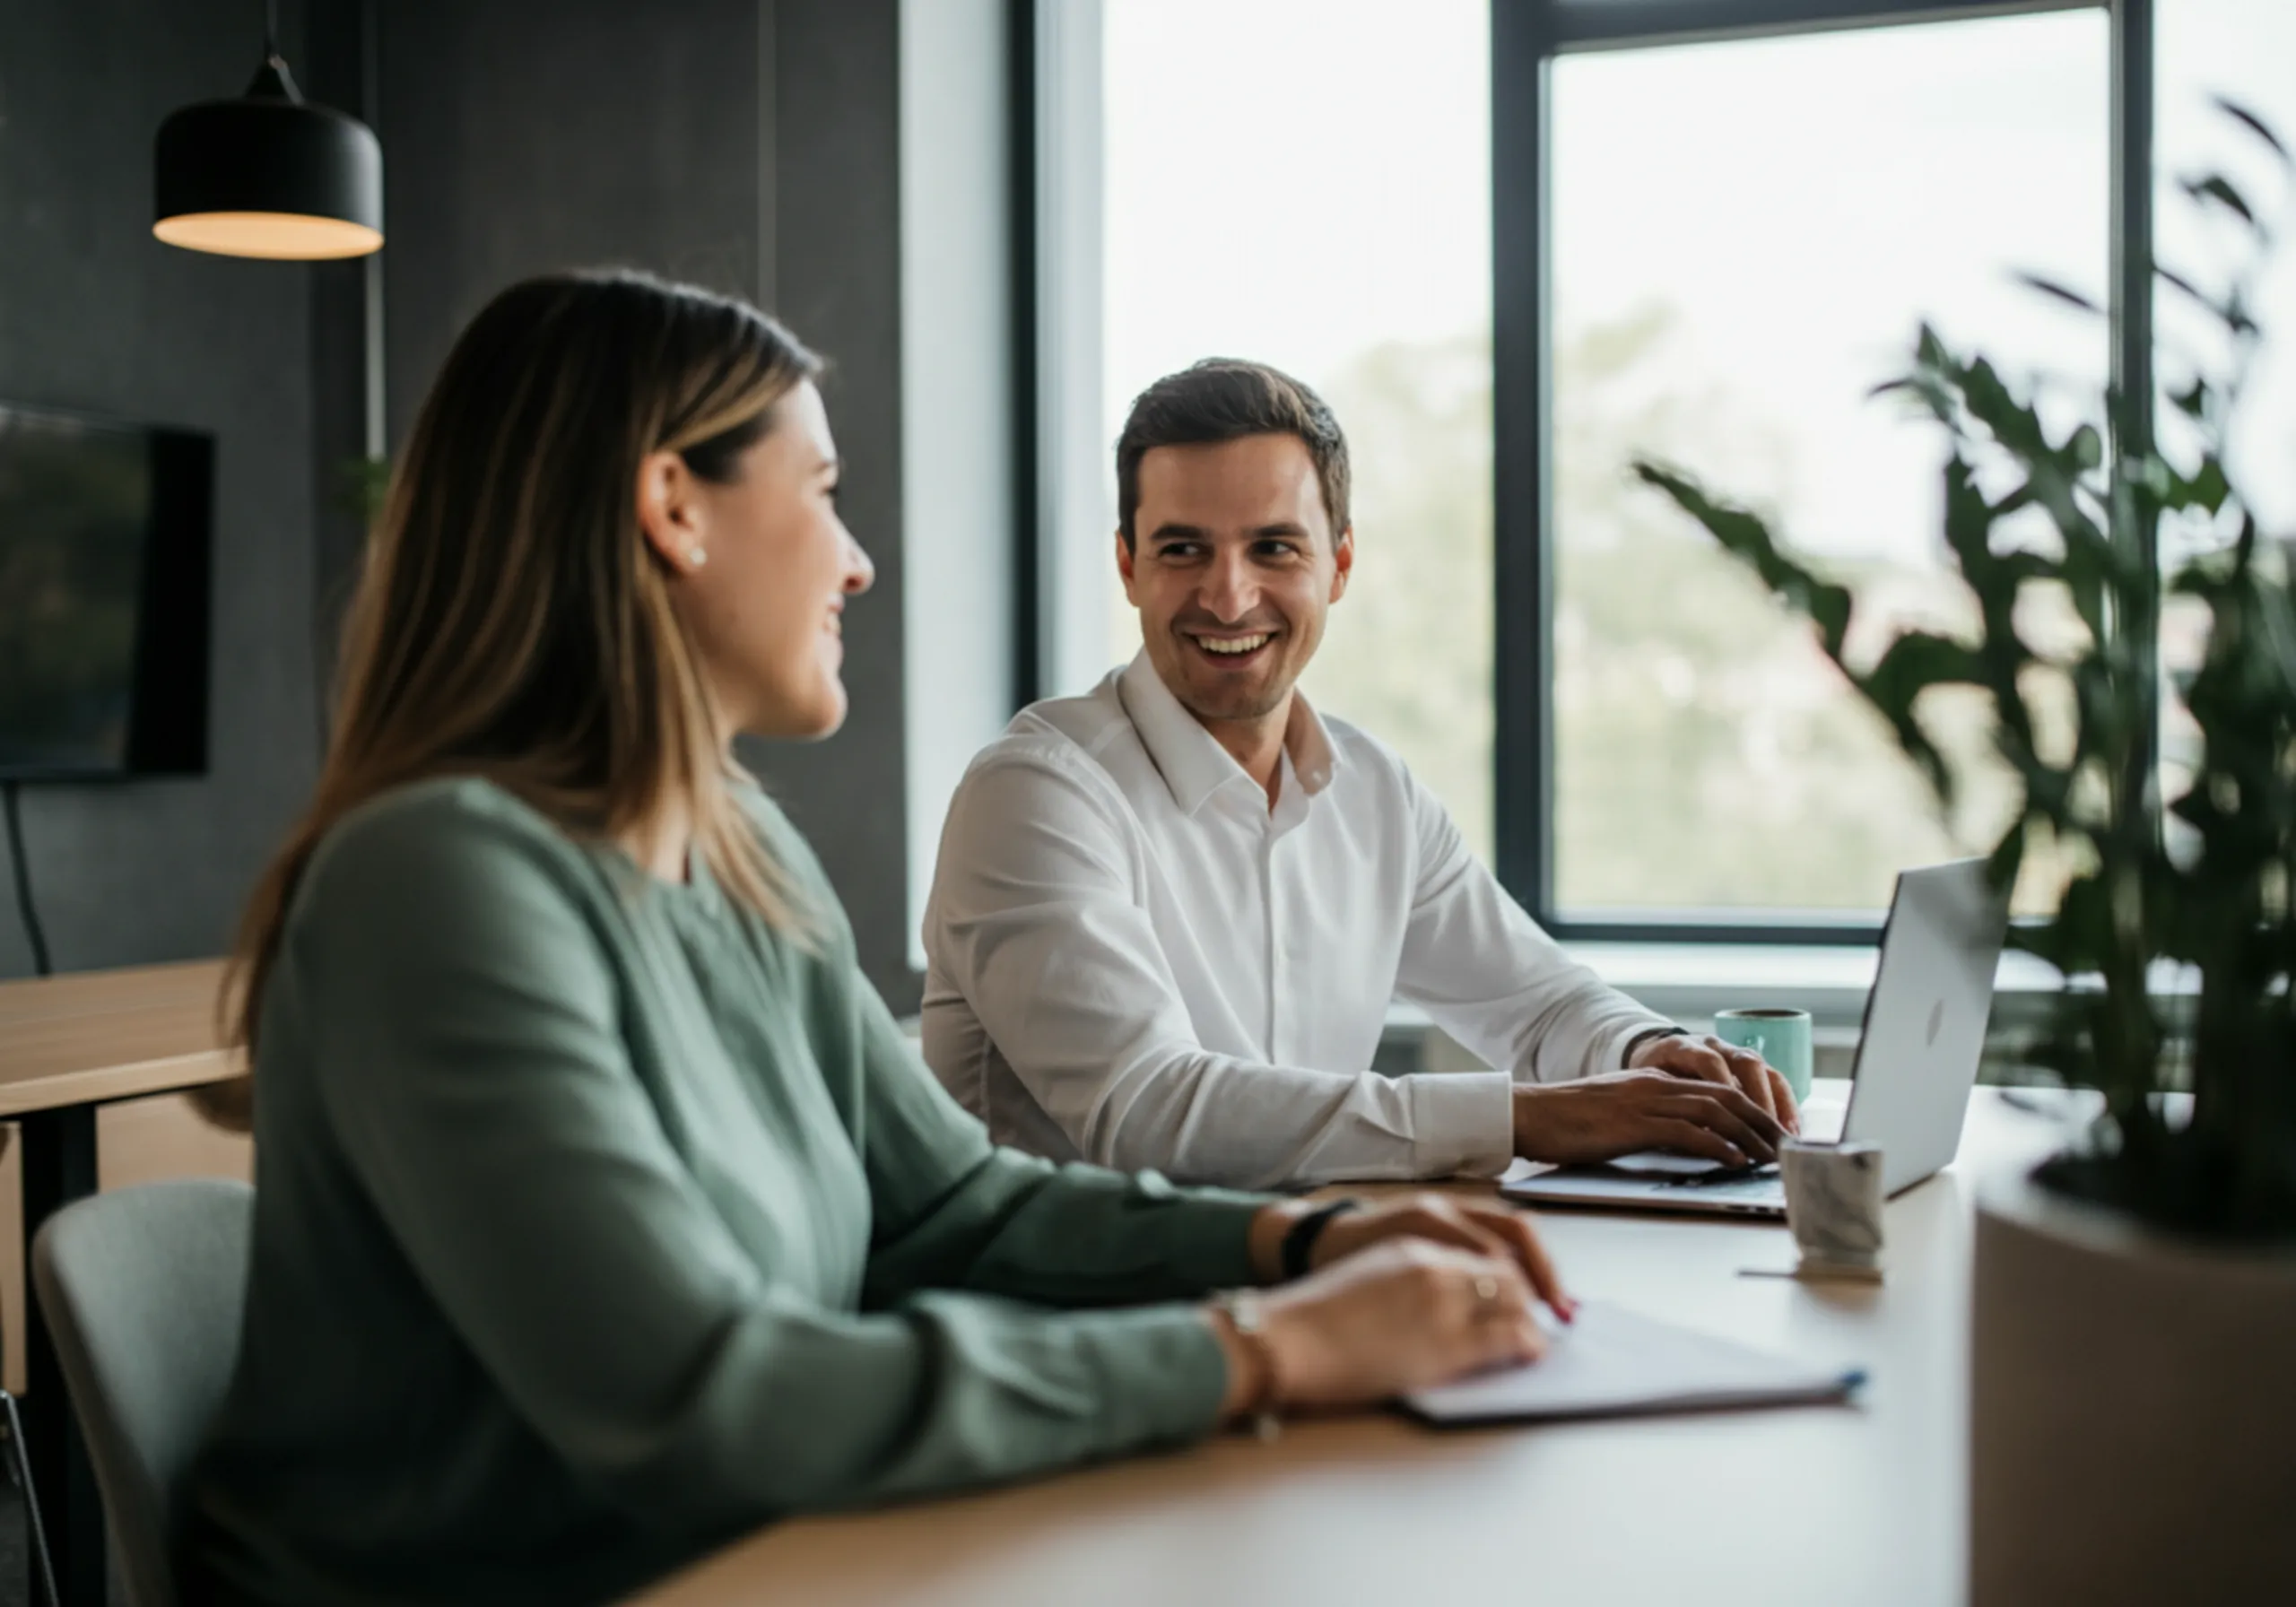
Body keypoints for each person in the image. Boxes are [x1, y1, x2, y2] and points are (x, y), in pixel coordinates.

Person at [183, 275, 1577, 1606]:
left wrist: (1302, 1239)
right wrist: (1267, 1350)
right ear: (673, 505)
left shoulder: (741, 852)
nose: (856, 564)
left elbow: (947, 1208)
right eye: (826, 495)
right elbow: (702, 1399)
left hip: (766, 1556)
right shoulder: (435, 887)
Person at [923, 359, 1801, 1191]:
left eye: (1274, 548)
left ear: (1339, 564)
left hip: (1310, 1285)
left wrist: (1650, 1052)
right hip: (1073, 1327)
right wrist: (1529, 1119)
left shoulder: (1372, 791)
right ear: (1128, 566)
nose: (1228, 597)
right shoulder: (1036, 793)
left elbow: (1534, 1005)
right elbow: (1148, 1111)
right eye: (1184, 550)